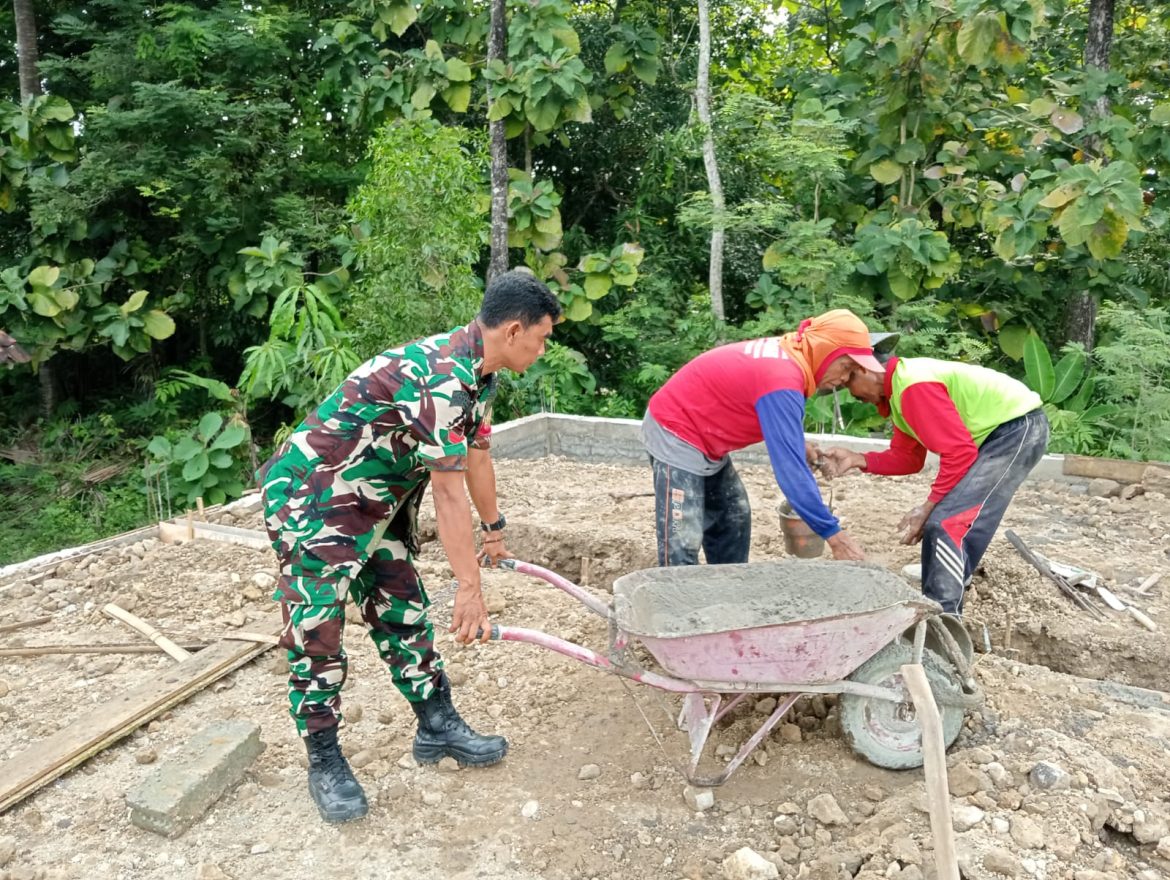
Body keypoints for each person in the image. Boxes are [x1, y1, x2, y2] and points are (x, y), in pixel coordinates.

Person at [257, 270, 561, 823]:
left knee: (402, 607)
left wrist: (494, 529)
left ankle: (436, 726)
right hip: (315, 500)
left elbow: (478, 456)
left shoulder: (479, 375)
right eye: (542, 338)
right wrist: (469, 588)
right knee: (317, 632)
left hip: (375, 502)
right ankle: (324, 760)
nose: (543, 349)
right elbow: (447, 495)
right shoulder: (441, 380)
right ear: (514, 330)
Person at [641, 309, 883, 567]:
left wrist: (795, 443)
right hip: (676, 430)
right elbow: (792, 474)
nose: (844, 379)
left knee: (733, 517)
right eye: (845, 366)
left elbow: (760, 403)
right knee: (681, 538)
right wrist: (836, 537)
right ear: (825, 350)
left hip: (706, 437)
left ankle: (728, 589)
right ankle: (676, 602)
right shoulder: (782, 379)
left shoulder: (793, 357)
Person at [820, 350, 1049, 615]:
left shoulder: (914, 387)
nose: (851, 393)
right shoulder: (900, 391)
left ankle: (944, 617)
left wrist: (926, 508)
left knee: (946, 523)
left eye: (849, 382)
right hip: (1005, 432)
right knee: (946, 520)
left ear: (867, 370)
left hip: (1016, 430)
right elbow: (907, 458)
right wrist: (857, 458)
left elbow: (959, 453)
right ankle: (946, 594)